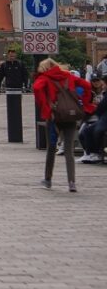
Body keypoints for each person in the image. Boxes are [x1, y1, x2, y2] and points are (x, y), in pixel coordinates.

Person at [32, 58, 94, 192]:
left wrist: (45, 107)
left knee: (51, 148)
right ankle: (71, 182)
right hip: (70, 115)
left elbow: (36, 88)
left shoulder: (45, 78)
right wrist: (85, 103)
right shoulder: (67, 76)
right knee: (68, 150)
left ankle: (48, 180)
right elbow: (87, 86)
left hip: (54, 116)